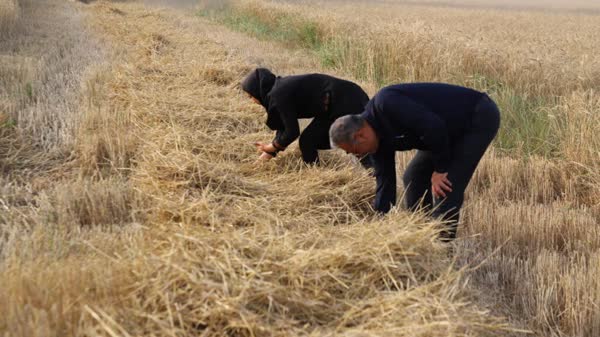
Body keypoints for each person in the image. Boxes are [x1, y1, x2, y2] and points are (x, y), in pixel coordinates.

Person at [329, 83, 500, 240]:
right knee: (413, 176)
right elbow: (385, 183)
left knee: (445, 187)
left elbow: (433, 126)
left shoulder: (386, 103)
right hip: (443, 132)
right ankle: (420, 237)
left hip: (475, 117)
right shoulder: (376, 144)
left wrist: (440, 169)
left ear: (360, 135)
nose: (358, 156)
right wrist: (379, 227)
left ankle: (440, 251)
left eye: (356, 151)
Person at [241, 68, 370, 164]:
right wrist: (267, 154)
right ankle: (317, 175)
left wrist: (273, 146)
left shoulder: (278, 95)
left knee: (356, 143)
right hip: (330, 107)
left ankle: (376, 175)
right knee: (309, 141)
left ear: (259, 90)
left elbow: (292, 131)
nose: (252, 100)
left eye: (251, 96)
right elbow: (284, 126)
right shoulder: (278, 92)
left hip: (346, 100)